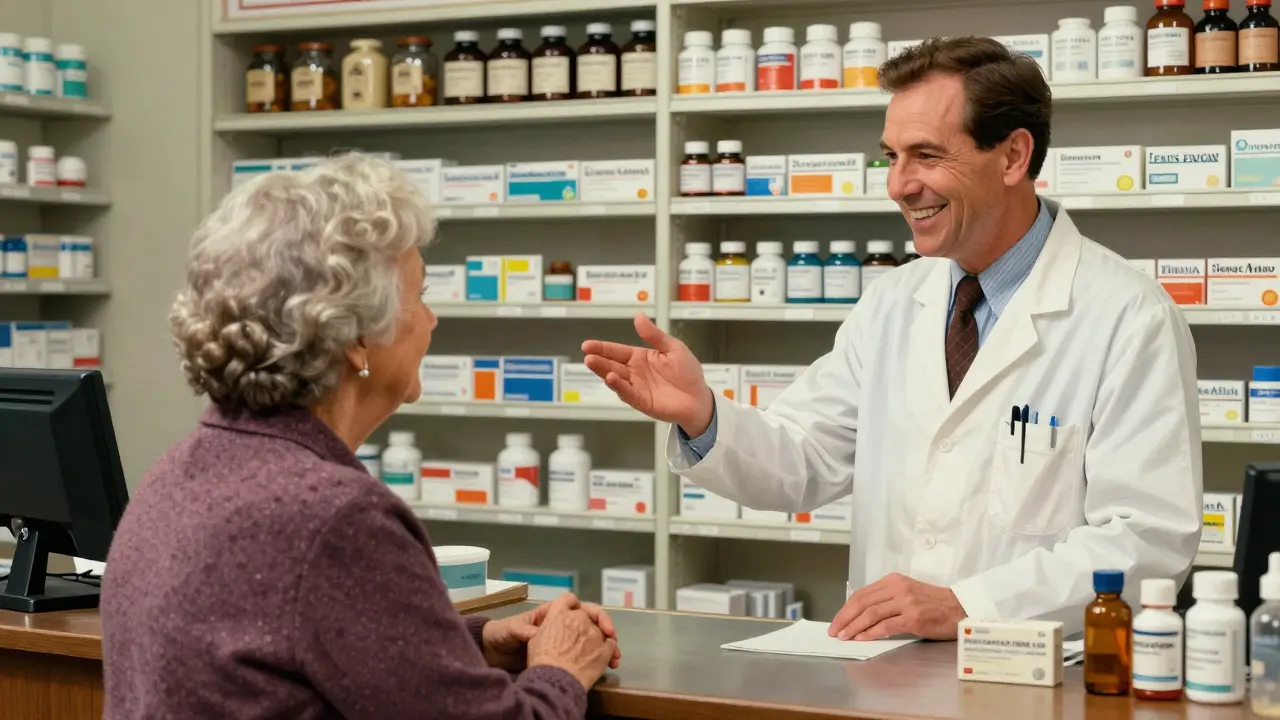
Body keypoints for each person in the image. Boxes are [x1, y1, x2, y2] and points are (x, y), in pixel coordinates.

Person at [584, 37, 1202, 640]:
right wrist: (704, 416)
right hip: (885, 674)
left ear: (1014, 156)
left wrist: (966, 605)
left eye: (927, 156)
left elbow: (1146, 541)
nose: (899, 184)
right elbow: (804, 460)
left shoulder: (1128, 316)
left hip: (1033, 682)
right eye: (892, 156)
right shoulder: (891, 303)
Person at [101, 154, 619, 720]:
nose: (431, 321)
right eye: (419, 295)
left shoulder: (177, 473)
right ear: (357, 338)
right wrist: (561, 669)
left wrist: (474, 639)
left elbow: (283, 647)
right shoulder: (335, 518)